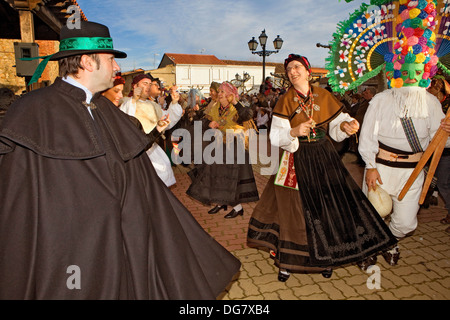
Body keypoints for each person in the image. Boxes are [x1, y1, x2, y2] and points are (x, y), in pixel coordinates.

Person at [0, 21, 240, 299]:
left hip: (123, 245)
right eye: (111, 59)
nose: (117, 69)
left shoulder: (105, 109)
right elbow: (17, 204)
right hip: (70, 256)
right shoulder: (32, 111)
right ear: (89, 62)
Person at [247, 53, 397, 282]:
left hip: (324, 156)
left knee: (327, 206)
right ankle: (288, 262)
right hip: (296, 157)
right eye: (289, 69)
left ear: (308, 72)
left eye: (297, 67)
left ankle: (327, 259)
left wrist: (346, 126)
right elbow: (276, 136)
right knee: (293, 210)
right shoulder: (285, 100)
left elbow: (338, 122)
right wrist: (293, 132)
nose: (292, 72)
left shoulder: (323, 95)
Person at [358, 0, 450, 266]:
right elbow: (367, 138)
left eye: (417, 70)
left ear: (425, 72)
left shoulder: (432, 102)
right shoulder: (381, 100)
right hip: (381, 169)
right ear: (396, 69)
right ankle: (369, 249)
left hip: (414, 171)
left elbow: (440, 142)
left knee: (407, 222)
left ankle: (388, 240)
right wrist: (370, 166)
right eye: (406, 68)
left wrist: (447, 131)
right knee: (373, 213)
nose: (411, 75)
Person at [186, 82, 259, 218]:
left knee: (229, 178)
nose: (219, 94)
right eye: (218, 92)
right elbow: (200, 120)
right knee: (216, 175)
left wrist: (236, 102)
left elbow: (247, 115)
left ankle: (237, 208)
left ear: (230, 95)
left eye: (222, 92)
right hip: (218, 145)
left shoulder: (236, 108)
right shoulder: (215, 107)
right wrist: (209, 123)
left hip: (234, 146)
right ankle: (221, 203)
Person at [119, 73, 182, 187]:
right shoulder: (128, 103)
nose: (148, 87)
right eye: (144, 83)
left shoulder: (153, 105)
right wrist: (134, 99)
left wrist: (174, 102)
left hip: (152, 147)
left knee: (162, 172)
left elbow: (169, 120)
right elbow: (126, 121)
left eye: (150, 84)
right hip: (136, 150)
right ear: (135, 86)